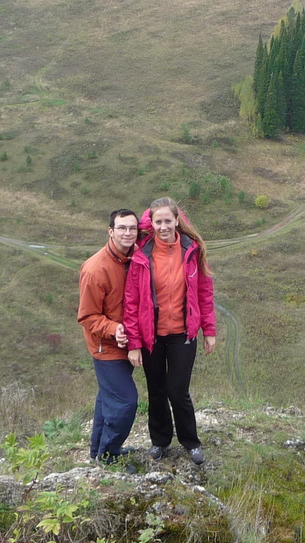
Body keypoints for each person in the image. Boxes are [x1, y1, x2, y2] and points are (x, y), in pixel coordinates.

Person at [123, 197, 216, 464]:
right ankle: (160, 441)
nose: (163, 227)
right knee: (156, 391)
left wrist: (209, 330)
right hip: (151, 335)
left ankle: (191, 442)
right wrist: (134, 343)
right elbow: (131, 301)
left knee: (178, 390)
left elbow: (204, 292)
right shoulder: (142, 253)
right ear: (150, 224)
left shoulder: (191, 250)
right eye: (157, 221)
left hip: (182, 334)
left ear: (178, 220)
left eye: (168, 220)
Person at [77, 208, 140, 465]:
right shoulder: (95, 269)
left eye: (132, 228)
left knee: (107, 400)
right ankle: (109, 454)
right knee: (125, 402)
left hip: (128, 344)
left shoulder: (135, 258)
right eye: (122, 228)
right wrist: (114, 329)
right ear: (110, 231)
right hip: (107, 349)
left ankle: (97, 452)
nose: (128, 233)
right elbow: (87, 316)